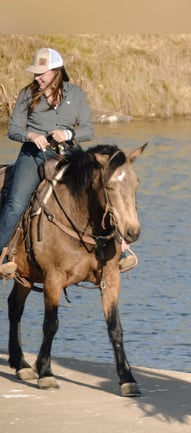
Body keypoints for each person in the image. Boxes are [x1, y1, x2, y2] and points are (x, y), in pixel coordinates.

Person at [1, 47, 137, 279]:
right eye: (35, 73)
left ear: (56, 71)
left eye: (41, 73)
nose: (37, 78)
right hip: (33, 155)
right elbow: (13, 129)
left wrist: (68, 134)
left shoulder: (76, 94)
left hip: (70, 155)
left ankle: (121, 249)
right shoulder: (27, 94)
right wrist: (31, 136)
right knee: (15, 202)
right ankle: (3, 254)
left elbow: (87, 130)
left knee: (100, 192)